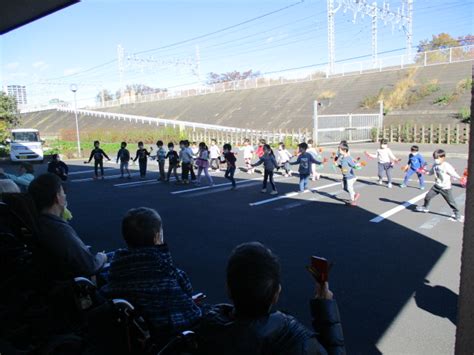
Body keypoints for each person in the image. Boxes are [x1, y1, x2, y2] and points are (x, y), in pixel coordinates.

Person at [196, 242, 345, 355]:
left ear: (228, 289)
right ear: (276, 294)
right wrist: (325, 310)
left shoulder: (203, 331)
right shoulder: (297, 341)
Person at [101, 207, 202, 339]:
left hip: (133, 334)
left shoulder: (116, 269)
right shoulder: (167, 271)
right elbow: (187, 293)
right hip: (167, 334)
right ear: (157, 237)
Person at [28, 173, 107, 278]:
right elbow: (90, 266)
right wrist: (102, 257)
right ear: (57, 197)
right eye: (62, 192)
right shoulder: (58, 229)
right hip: (72, 283)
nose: (65, 195)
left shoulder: (36, 222)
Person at [416, 149, 464, 222]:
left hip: (445, 188)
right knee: (427, 196)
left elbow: (453, 173)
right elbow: (430, 173)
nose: (436, 160)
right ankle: (425, 207)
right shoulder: (435, 165)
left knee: (451, 202)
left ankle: (457, 214)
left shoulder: (446, 166)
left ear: (443, 157)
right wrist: (424, 171)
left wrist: (460, 178)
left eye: (437, 158)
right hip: (436, 186)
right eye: (434, 158)